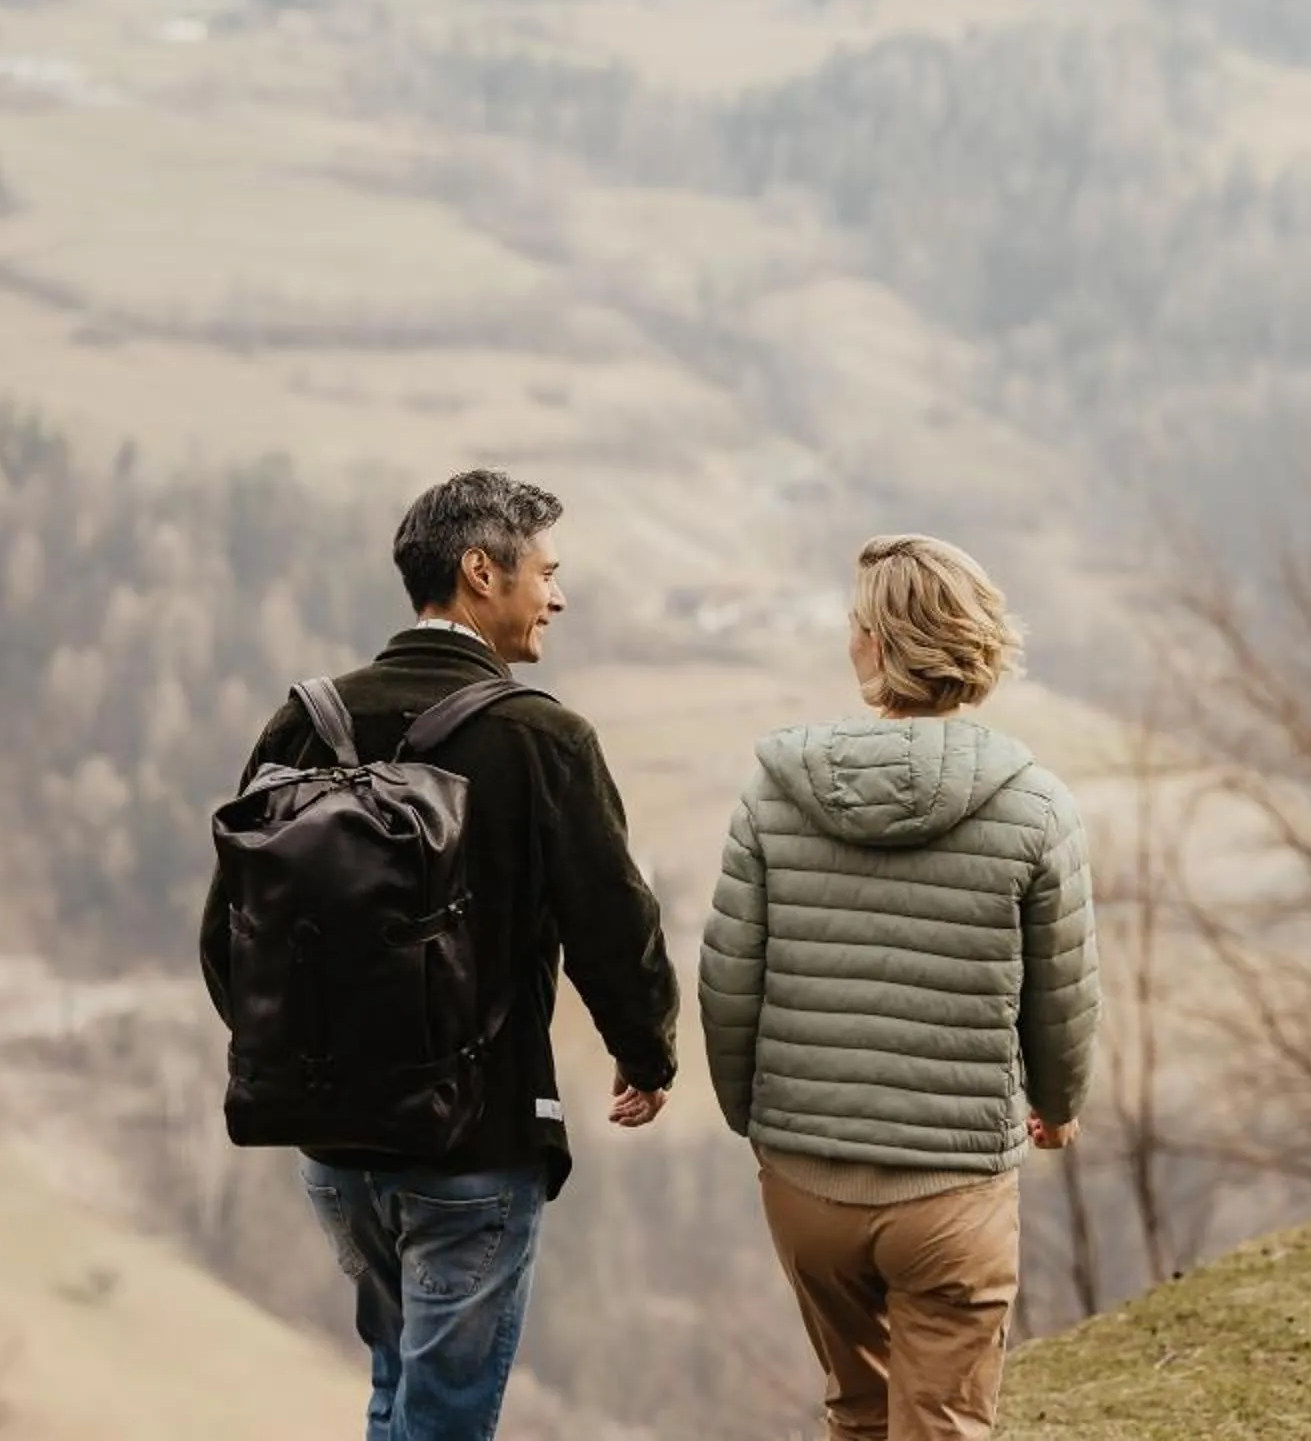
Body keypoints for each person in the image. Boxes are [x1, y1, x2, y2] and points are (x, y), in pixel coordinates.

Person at [204, 469, 680, 1441]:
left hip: (331, 1140)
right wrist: (648, 1050)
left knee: (394, 1387)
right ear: (480, 571)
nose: (558, 595)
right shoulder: (542, 737)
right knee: (446, 1418)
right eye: (546, 572)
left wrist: (306, 1052)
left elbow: (231, 933)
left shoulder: (305, 721)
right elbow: (610, 920)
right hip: (475, 1140)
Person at [699, 533, 1100, 1441]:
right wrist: (1059, 1103)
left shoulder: (773, 794)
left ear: (875, 646)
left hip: (804, 1186)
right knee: (943, 1423)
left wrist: (759, 1120)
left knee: (858, 1410)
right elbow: (1062, 992)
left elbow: (728, 983)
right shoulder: (1036, 805)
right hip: (953, 1190)